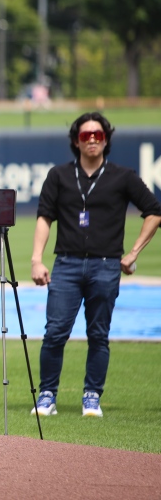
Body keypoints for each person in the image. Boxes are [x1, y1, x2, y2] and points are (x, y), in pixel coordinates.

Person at [30, 112, 161, 418]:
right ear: (76, 141)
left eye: (98, 135)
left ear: (106, 140)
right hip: (66, 264)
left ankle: (92, 396)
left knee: (98, 334)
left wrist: (133, 253)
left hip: (106, 266)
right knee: (55, 332)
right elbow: (44, 218)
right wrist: (37, 260)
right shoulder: (58, 175)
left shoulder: (122, 176)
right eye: (86, 135)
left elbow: (154, 212)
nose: (92, 139)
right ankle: (47, 395)